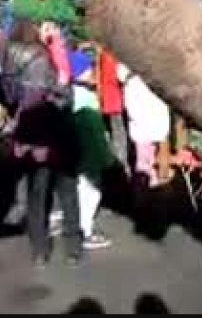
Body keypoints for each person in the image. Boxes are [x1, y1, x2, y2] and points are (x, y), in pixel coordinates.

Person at [0, 20, 82, 266]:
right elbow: (61, 94)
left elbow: (9, 96)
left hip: (28, 130)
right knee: (67, 188)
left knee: (36, 192)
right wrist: (65, 87)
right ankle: (72, 246)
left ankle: (39, 249)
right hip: (54, 128)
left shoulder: (9, 57)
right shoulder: (42, 55)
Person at [68, 49, 115, 252]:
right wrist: (105, 154)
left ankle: (77, 224)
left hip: (77, 153)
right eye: (89, 69)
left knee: (80, 189)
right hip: (90, 155)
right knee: (91, 192)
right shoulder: (86, 99)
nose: (93, 72)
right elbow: (94, 132)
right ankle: (84, 231)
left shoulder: (70, 94)